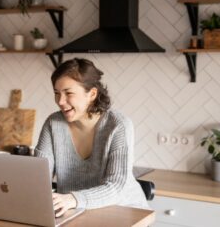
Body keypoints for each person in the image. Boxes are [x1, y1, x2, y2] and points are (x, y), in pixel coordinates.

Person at [34, 58, 148, 217]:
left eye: (69, 93)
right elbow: (38, 177)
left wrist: (73, 199)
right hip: (75, 213)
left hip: (124, 213)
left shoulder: (118, 125)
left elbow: (116, 187)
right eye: (56, 93)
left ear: (92, 94)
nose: (60, 101)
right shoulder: (53, 123)